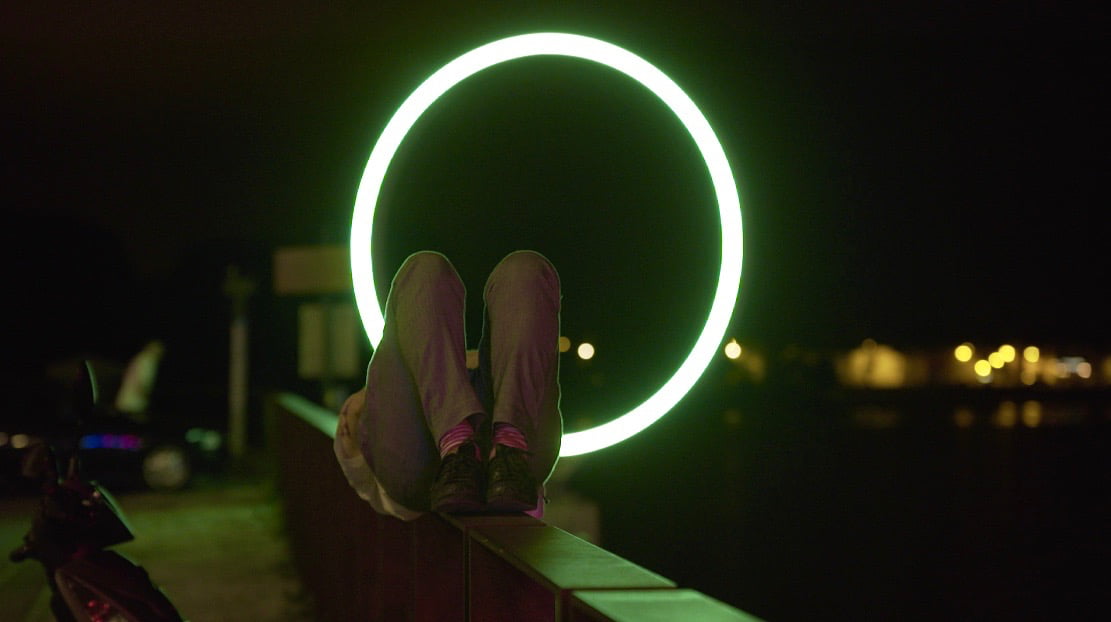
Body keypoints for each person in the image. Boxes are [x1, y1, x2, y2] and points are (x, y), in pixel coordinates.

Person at [334, 250, 563, 520]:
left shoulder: (373, 421)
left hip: (416, 471)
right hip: (490, 469)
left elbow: (371, 480)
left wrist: (356, 456)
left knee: (428, 271)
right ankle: (502, 449)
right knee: (522, 271)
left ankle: (472, 448)